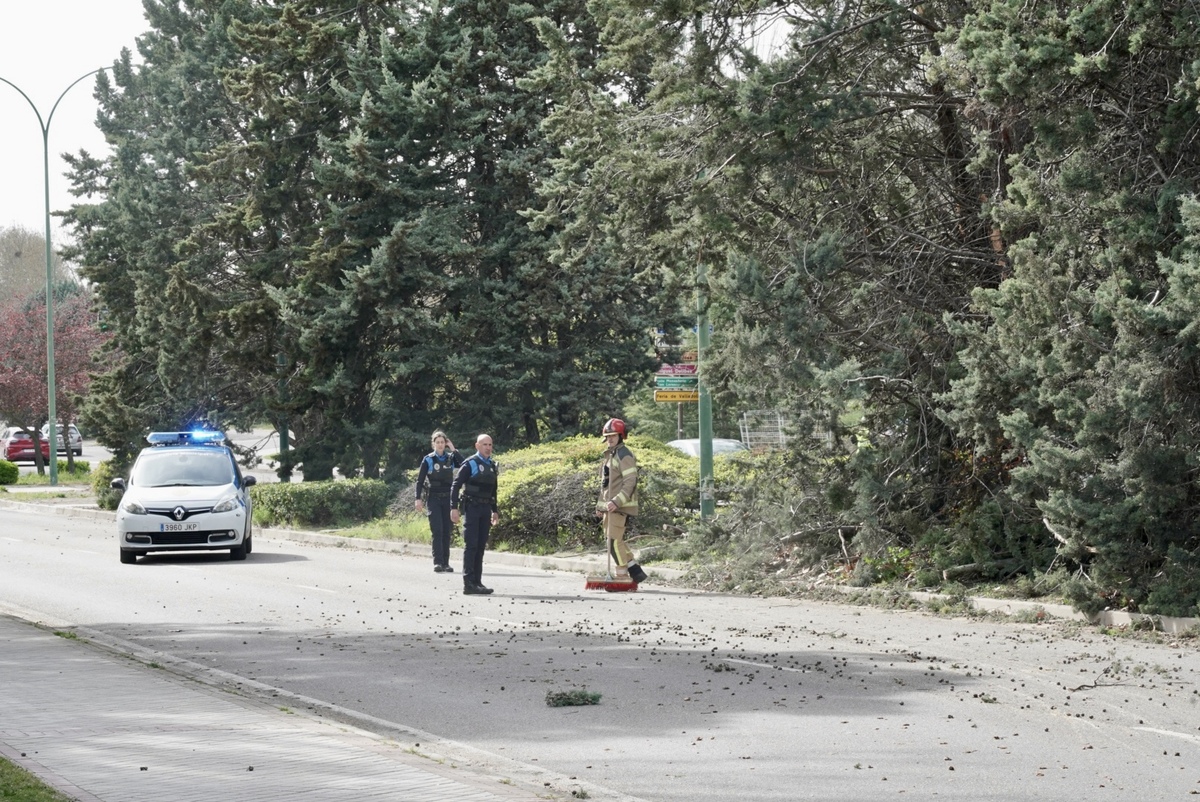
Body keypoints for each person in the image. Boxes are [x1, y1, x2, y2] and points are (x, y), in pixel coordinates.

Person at [596, 418, 647, 584]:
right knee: (614, 539)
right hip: (610, 507)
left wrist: (617, 502)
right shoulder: (611, 454)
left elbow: (630, 481)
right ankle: (634, 569)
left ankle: (622, 576)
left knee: (613, 541)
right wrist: (600, 506)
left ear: (621, 436)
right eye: (608, 436)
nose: (610, 439)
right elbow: (606, 484)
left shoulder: (624, 455)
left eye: (613, 435)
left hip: (619, 506)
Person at [450, 433, 499, 595]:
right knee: (471, 545)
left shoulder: (492, 465)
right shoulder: (470, 464)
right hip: (472, 508)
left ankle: (477, 582)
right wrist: (454, 508)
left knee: (480, 546)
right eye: (485, 445)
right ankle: (468, 583)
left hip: (485, 509)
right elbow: (456, 485)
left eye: (490, 445)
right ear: (477, 446)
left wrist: (495, 511)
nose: (488, 448)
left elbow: (493, 490)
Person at [415, 430, 463, 573]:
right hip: (434, 498)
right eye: (438, 442)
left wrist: (453, 449)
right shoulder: (428, 459)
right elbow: (420, 481)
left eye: (443, 442)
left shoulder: (450, 458)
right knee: (437, 530)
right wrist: (418, 499)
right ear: (434, 444)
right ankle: (438, 562)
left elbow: (463, 464)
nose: (440, 445)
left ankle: (446, 563)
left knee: (447, 531)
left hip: (448, 498)